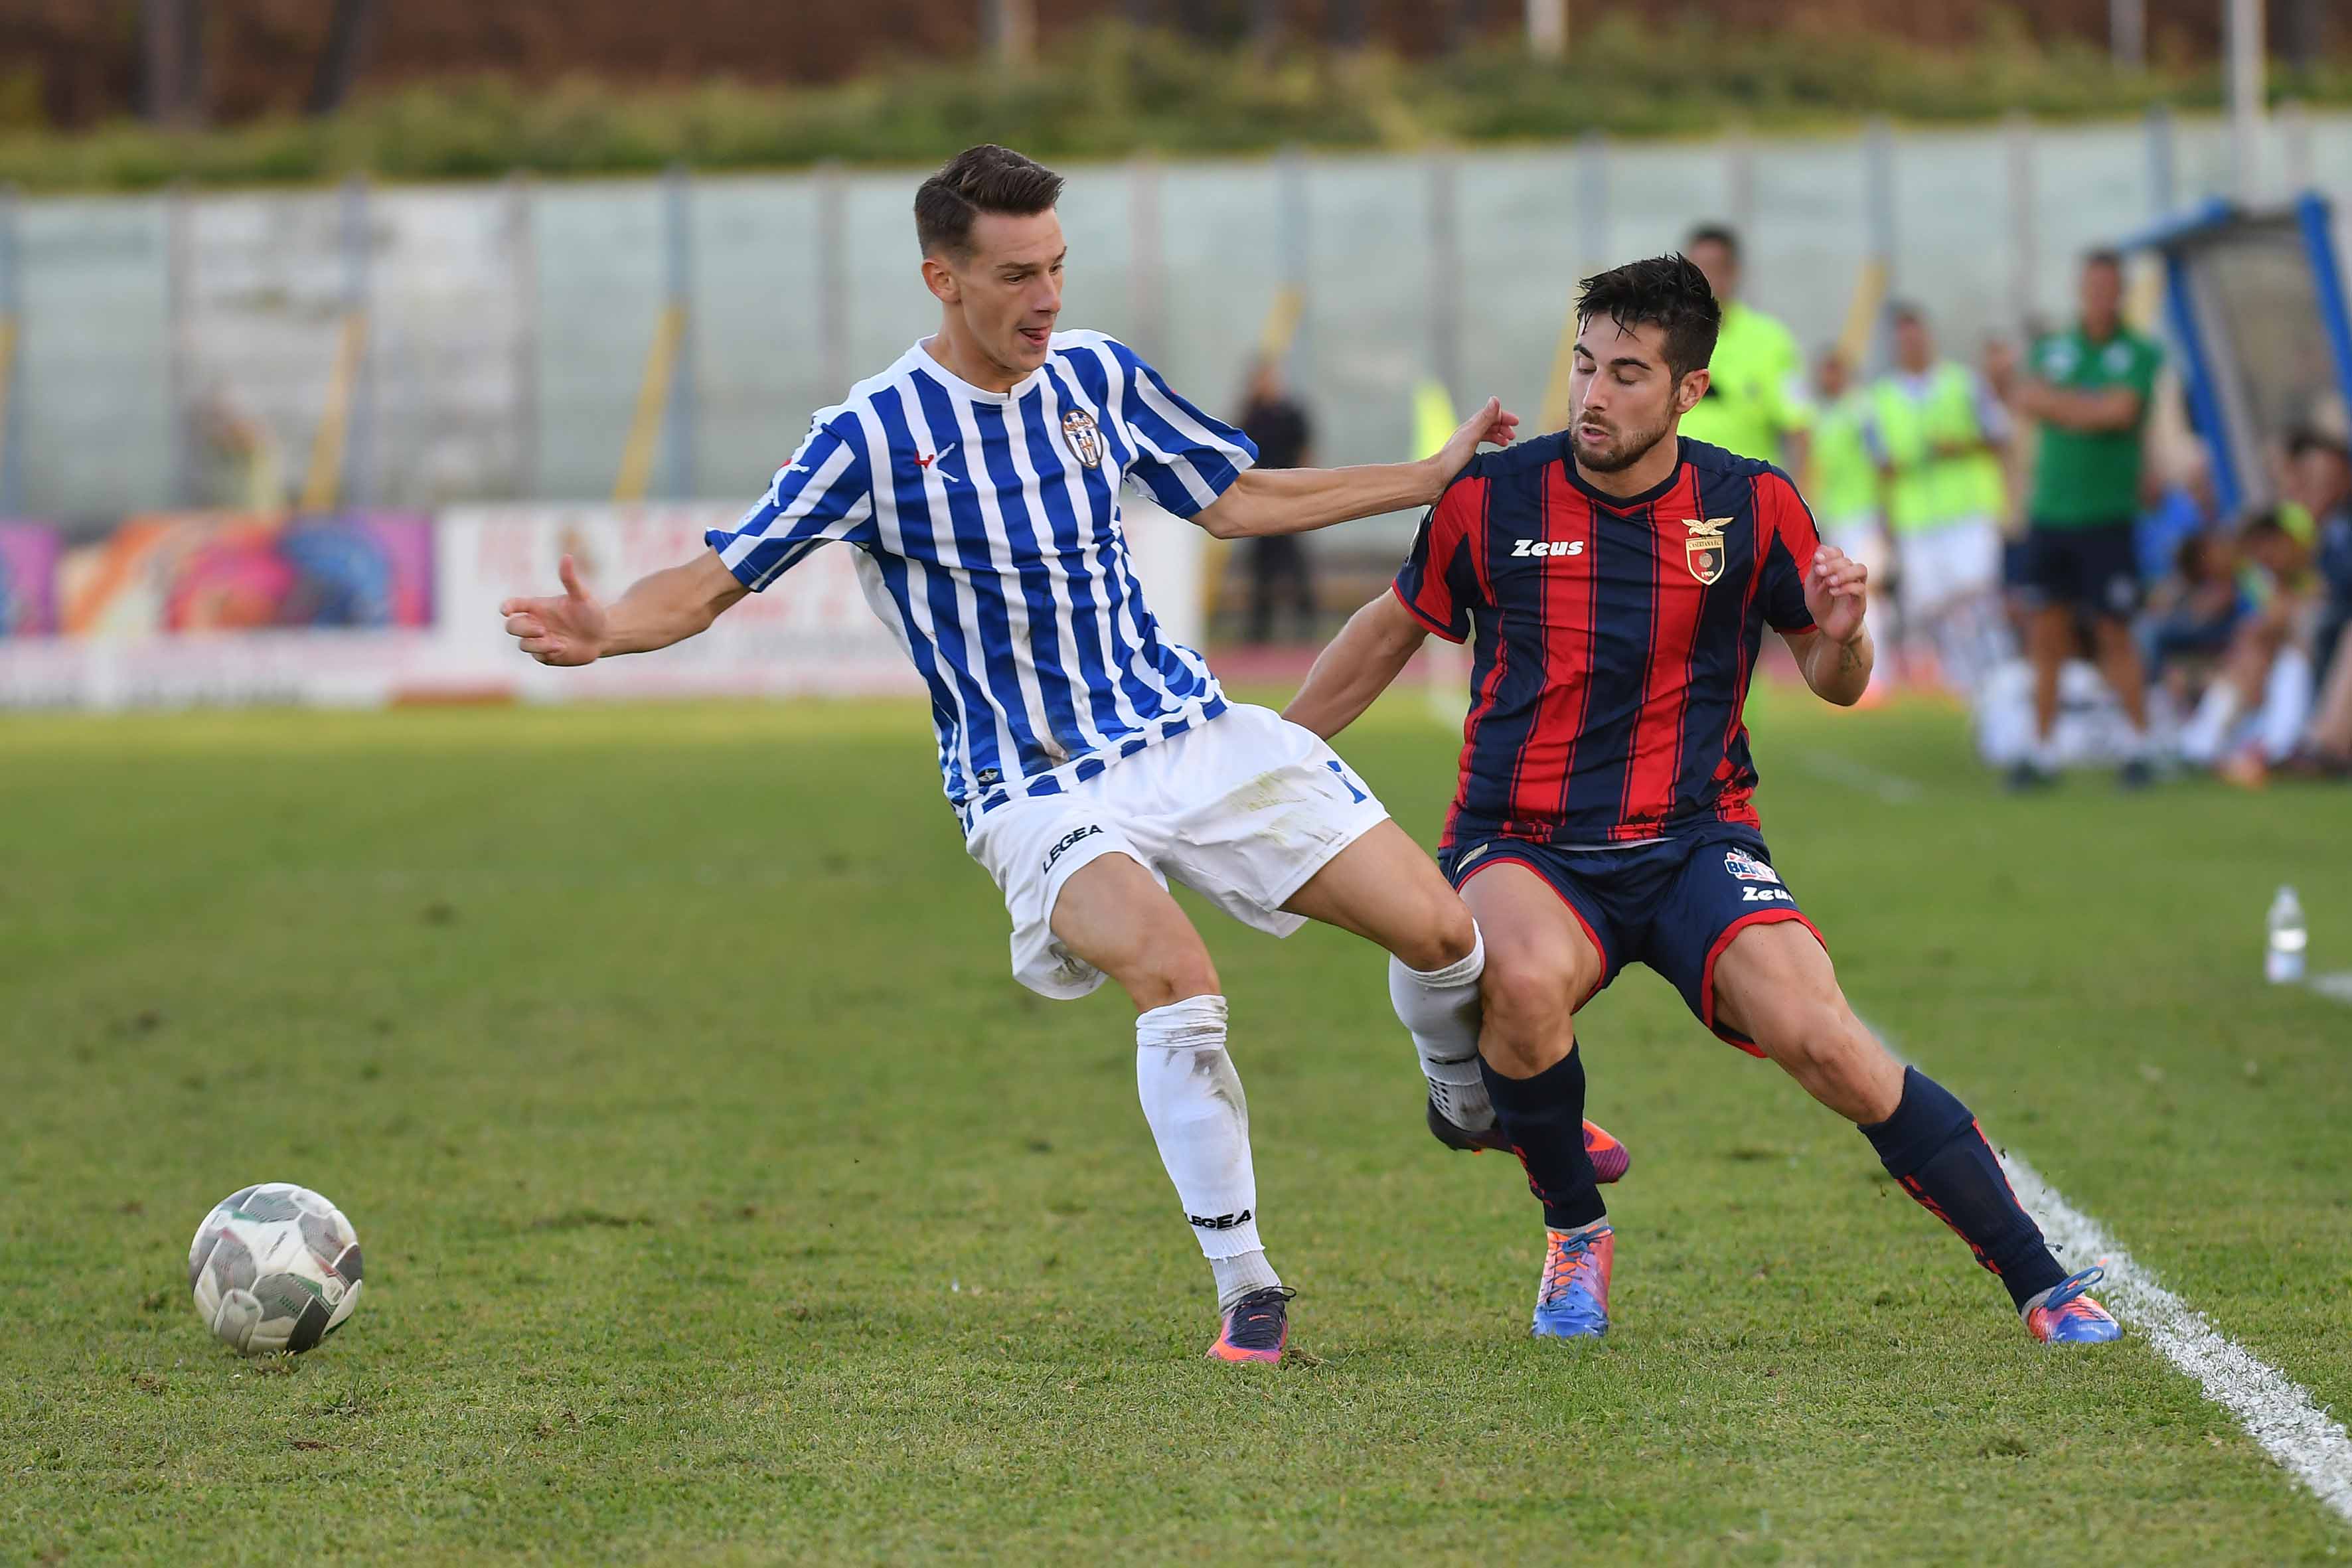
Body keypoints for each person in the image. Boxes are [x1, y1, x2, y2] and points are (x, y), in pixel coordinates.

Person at [497, 144, 1555, 1367]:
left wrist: (1420, 480)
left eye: (1056, 266)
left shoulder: (1093, 375)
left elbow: (1234, 496)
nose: (1045, 297)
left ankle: (1455, 1092)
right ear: (941, 278)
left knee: (1443, 936)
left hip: (1186, 731)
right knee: (1176, 976)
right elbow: (718, 575)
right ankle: (1247, 1286)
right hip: (1031, 782)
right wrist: (609, 628)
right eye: (1014, 276)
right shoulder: (872, 433)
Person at [1285, 254, 2119, 1346]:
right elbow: (1385, 631)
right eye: (1583, 365)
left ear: (1688, 389)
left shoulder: (1750, 502)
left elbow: (1833, 681)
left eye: (1627, 374)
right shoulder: (1494, 496)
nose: (1593, 395)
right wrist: (1275, 753)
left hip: (1694, 840)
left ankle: (2041, 1281)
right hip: (1525, 842)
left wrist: (1845, 628)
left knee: (1824, 1038)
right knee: (1523, 982)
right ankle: (1575, 1230)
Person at [2012, 250, 2163, 788]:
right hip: (2052, 512)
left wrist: (2064, 406)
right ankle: (2042, 751)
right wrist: (2085, 407)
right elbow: (2027, 397)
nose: (2100, 297)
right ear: (2081, 291)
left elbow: (2119, 412)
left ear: (2119, 292)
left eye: (2108, 287)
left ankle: (2139, 746)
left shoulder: (2139, 353)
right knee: (2047, 633)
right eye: (2092, 287)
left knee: (2112, 631)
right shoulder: (2053, 349)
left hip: (2107, 515)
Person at [1863, 303, 2015, 698]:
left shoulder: (1963, 383)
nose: (1911, 345)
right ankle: (1964, 686)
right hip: (1917, 519)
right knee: (1936, 608)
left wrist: (1959, 447)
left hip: (1966, 512)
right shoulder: (1881, 397)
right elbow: (1878, 461)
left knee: (1979, 599)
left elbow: (2000, 435)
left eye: (1916, 336)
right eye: (1903, 339)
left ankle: (2000, 676)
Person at [1678, 224, 1811, 474]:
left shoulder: (1771, 340)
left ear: (1733, 272)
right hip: (1675, 498)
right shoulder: (1663, 338)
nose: (1703, 281)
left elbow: (1799, 427)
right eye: (1694, 270)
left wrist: (1802, 500)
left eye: (1714, 269)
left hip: (1747, 497)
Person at [1235, 357, 1320, 641]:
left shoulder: (1291, 413)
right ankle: (1259, 631)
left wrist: (1301, 487)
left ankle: (1308, 623)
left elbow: (1305, 450)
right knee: (1262, 567)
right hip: (1262, 499)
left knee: (1295, 563)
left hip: (1288, 496)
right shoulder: (1251, 414)